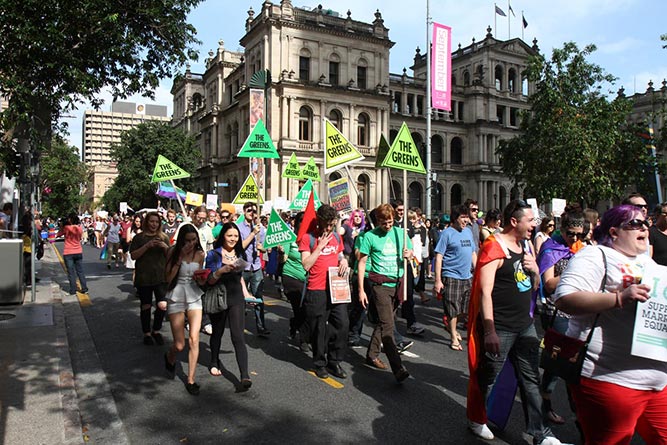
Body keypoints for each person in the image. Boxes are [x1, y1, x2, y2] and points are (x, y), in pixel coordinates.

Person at [554, 205, 666, 444]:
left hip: (658, 384)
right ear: (614, 232)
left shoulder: (651, 265)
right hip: (610, 380)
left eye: (646, 223)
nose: (644, 228)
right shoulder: (596, 255)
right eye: (635, 224)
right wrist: (618, 298)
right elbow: (564, 298)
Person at [466, 199, 565, 444]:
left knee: (531, 379)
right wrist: (489, 331)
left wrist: (534, 272)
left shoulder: (527, 246)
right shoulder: (493, 248)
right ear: (514, 222)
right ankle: (477, 418)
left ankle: (538, 432)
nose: (535, 224)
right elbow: (483, 292)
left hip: (525, 325)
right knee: (488, 377)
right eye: (530, 220)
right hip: (499, 328)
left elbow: (530, 288)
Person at [536, 208, 586, 426]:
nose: (575, 239)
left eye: (580, 235)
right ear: (561, 229)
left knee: (575, 362)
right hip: (555, 309)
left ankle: (578, 411)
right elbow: (548, 284)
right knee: (558, 362)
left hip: (578, 309)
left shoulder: (582, 249)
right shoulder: (551, 247)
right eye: (570, 234)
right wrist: (574, 271)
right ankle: (545, 404)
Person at [357, 203, 412, 383]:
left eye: (390, 222)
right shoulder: (369, 236)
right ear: (378, 221)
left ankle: (371, 354)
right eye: (384, 223)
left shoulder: (401, 233)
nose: (387, 226)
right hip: (379, 285)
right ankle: (398, 368)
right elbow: (362, 263)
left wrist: (408, 254)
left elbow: (411, 254)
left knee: (383, 323)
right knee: (388, 326)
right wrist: (361, 290)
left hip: (397, 284)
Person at [299, 204, 349, 379]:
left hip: (336, 288)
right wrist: (319, 247)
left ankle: (334, 361)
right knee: (318, 329)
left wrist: (344, 261)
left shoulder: (336, 236)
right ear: (319, 222)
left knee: (342, 324)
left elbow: (341, 255)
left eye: (331, 224)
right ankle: (320, 362)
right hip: (317, 289)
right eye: (326, 224)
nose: (329, 228)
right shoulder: (308, 238)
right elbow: (306, 264)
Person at [205, 222, 254, 390]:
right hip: (219, 298)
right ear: (222, 237)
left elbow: (240, 277)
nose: (233, 239)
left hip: (236, 299)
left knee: (238, 336)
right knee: (217, 332)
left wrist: (247, 294)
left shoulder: (241, 253)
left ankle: (244, 375)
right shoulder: (213, 255)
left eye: (235, 236)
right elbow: (209, 279)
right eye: (229, 235)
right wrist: (221, 271)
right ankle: (214, 361)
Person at [164, 224, 205, 395]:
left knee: (194, 339)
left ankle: (191, 379)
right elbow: (167, 277)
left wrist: (202, 278)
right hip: (177, 295)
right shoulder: (173, 251)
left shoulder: (200, 254)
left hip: (194, 296)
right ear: (181, 240)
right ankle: (170, 356)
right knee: (180, 344)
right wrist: (179, 257)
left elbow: (201, 278)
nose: (191, 243)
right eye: (187, 240)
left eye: (194, 240)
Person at [433, 205, 476, 351]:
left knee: (464, 310)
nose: (465, 220)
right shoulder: (447, 234)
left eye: (466, 217)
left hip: (467, 276)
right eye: (462, 217)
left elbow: (473, 253)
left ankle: (453, 328)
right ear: (455, 218)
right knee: (452, 309)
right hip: (451, 276)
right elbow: (439, 257)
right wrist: (437, 280)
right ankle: (453, 336)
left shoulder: (469, 232)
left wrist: (478, 271)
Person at [130, 212, 170, 345]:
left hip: (161, 276)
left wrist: (164, 247)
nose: (154, 224)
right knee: (146, 305)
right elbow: (133, 256)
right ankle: (146, 332)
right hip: (144, 276)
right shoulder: (139, 238)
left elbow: (170, 255)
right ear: (146, 222)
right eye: (151, 221)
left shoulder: (163, 237)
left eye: (156, 222)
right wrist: (147, 246)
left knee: (162, 305)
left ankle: (156, 330)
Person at [237, 202, 270, 336]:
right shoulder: (238, 228)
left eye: (254, 211)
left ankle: (261, 326)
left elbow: (266, 248)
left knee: (258, 298)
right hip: (243, 265)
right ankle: (239, 326)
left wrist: (262, 248)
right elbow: (240, 247)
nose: (252, 213)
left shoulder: (261, 229)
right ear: (244, 211)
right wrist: (252, 233)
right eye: (249, 210)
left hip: (256, 267)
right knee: (241, 298)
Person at [281, 212, 310, 351]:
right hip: (291, 277)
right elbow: (284, 259)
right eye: (301, 221)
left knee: (309, 309)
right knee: (300, 308)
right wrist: (281, 253)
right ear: (296, 223)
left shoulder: (312, 238)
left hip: (308, 280)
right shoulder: (290, 239)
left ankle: (294, 323)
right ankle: (304, 340)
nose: (304, 223)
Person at [57, 213, 89, 295]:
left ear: (70, 219)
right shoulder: (79, 228)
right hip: (78, 251)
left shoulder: (66, 228)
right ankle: (84, 288)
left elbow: (58, 234)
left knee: (71, 272)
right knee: (80, 271)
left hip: (68, 252)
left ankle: (73, 290)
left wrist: (61, 226)